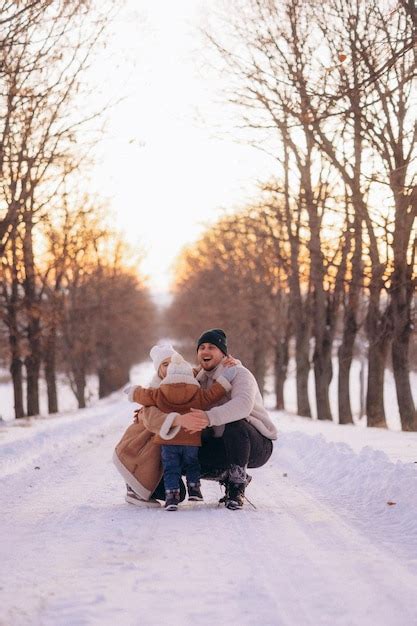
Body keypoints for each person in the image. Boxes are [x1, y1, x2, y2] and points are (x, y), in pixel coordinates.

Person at [129, 352, 234, 510]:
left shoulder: (159, 393)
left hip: (168, 442)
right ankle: (194, 489)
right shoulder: (197, 393)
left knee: (171, 467)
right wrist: (226, 376)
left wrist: (133, 391)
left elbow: (144, 395)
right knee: (192, 463)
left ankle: (171, 497)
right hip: (191, 440)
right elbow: (213, 394)